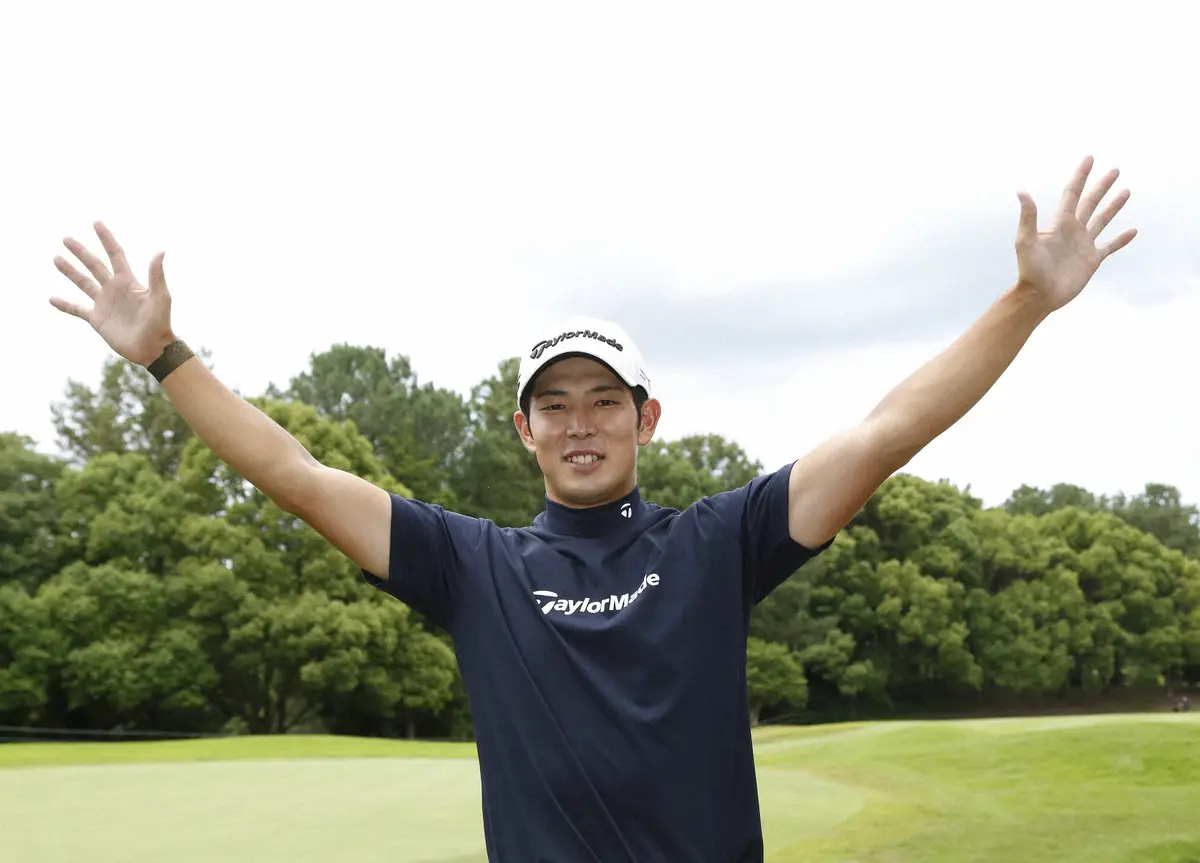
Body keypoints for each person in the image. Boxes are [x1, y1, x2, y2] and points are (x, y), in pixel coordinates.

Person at [48, 156, 1136, 862]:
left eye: (603, 400)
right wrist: (165, 357)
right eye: (554, 404)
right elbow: (294, 471)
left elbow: (887, 431)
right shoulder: (469, 563)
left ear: (645, 417)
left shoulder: (719, 541)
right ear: (524, 430)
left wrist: (1028, 301)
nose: (580, 422)